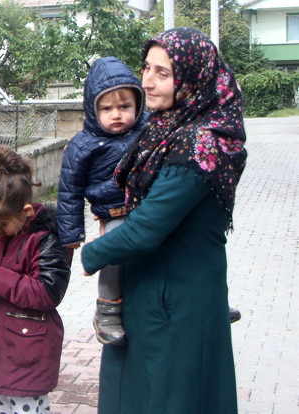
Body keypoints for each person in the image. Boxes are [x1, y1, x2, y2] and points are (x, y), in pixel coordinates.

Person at [81, 27, 246, 413]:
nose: (148, 82)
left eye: (163, 73)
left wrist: (92, 253)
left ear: (191, 79)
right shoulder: (165, 126)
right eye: (147, 68)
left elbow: (146, 228)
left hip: (178, 303)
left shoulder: (200, 143)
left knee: (170, 398)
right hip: (150, 293)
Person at [0, 146, 71, 414]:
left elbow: (47, 292)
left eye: (3, 224)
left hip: (29, 353)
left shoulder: (44, 239)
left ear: (27, 211)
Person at [57, 56, 146, 346]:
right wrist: (71, 234)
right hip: (115, 212)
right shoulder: (83, 145)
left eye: (124, 107)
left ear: (138, 105)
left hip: (149, 207)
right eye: (106, 108)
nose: (116, 114)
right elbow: (69, 190)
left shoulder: (148, 131)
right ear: (93, 110)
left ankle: (202, 299)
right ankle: (107, 309)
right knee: (113, 251)